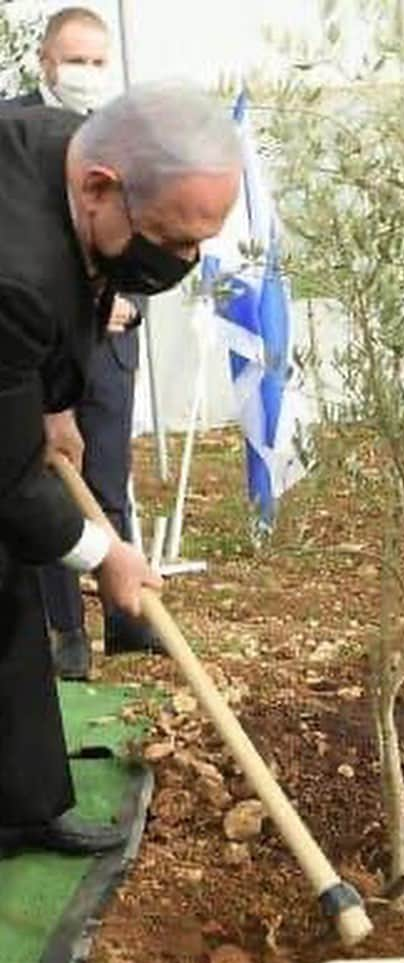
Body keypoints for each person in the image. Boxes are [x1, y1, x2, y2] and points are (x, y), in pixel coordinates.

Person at [0, 81, 241, 857]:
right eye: (171, 242)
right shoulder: (17, 270)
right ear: (100, 187)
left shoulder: (78, 148)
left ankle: (23, 804)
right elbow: (6, 484)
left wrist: (50, 407)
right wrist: (108, 555)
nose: (185, 260)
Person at [5, 6, 161, 680]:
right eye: (77, 61)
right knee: (40, 487)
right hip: (26, 367)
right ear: (46, 62)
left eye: (100, 62)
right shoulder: (15, 145)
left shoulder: (126, 141)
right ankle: (67, 632)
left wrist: (126, 300)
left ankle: (128, 621)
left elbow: (147, 240)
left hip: (104, 353)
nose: (89, 75)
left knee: (103, 482)